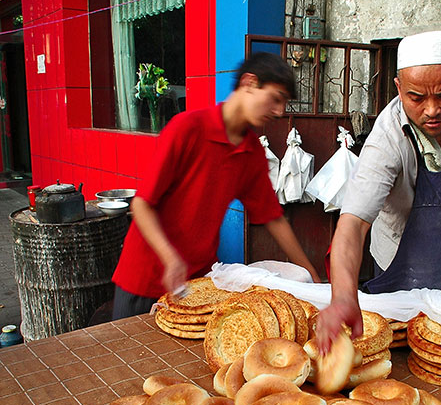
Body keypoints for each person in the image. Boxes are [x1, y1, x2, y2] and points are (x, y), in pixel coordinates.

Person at [316, 31, 441, 350]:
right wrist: (343, 297)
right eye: (416, 98)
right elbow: (353, 225)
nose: (432, 111)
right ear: (399, 89)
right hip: (400, 262)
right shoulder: (386, 144)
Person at [111, 52, 320, 320]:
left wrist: (311, 275)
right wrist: (170, 257)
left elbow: (273, 219)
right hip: (144, 279)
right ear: (249, 83)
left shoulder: (251, 151)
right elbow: (141, 205)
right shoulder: (187, 128)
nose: (279, 112)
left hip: (196, 284)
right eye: (276, 98)